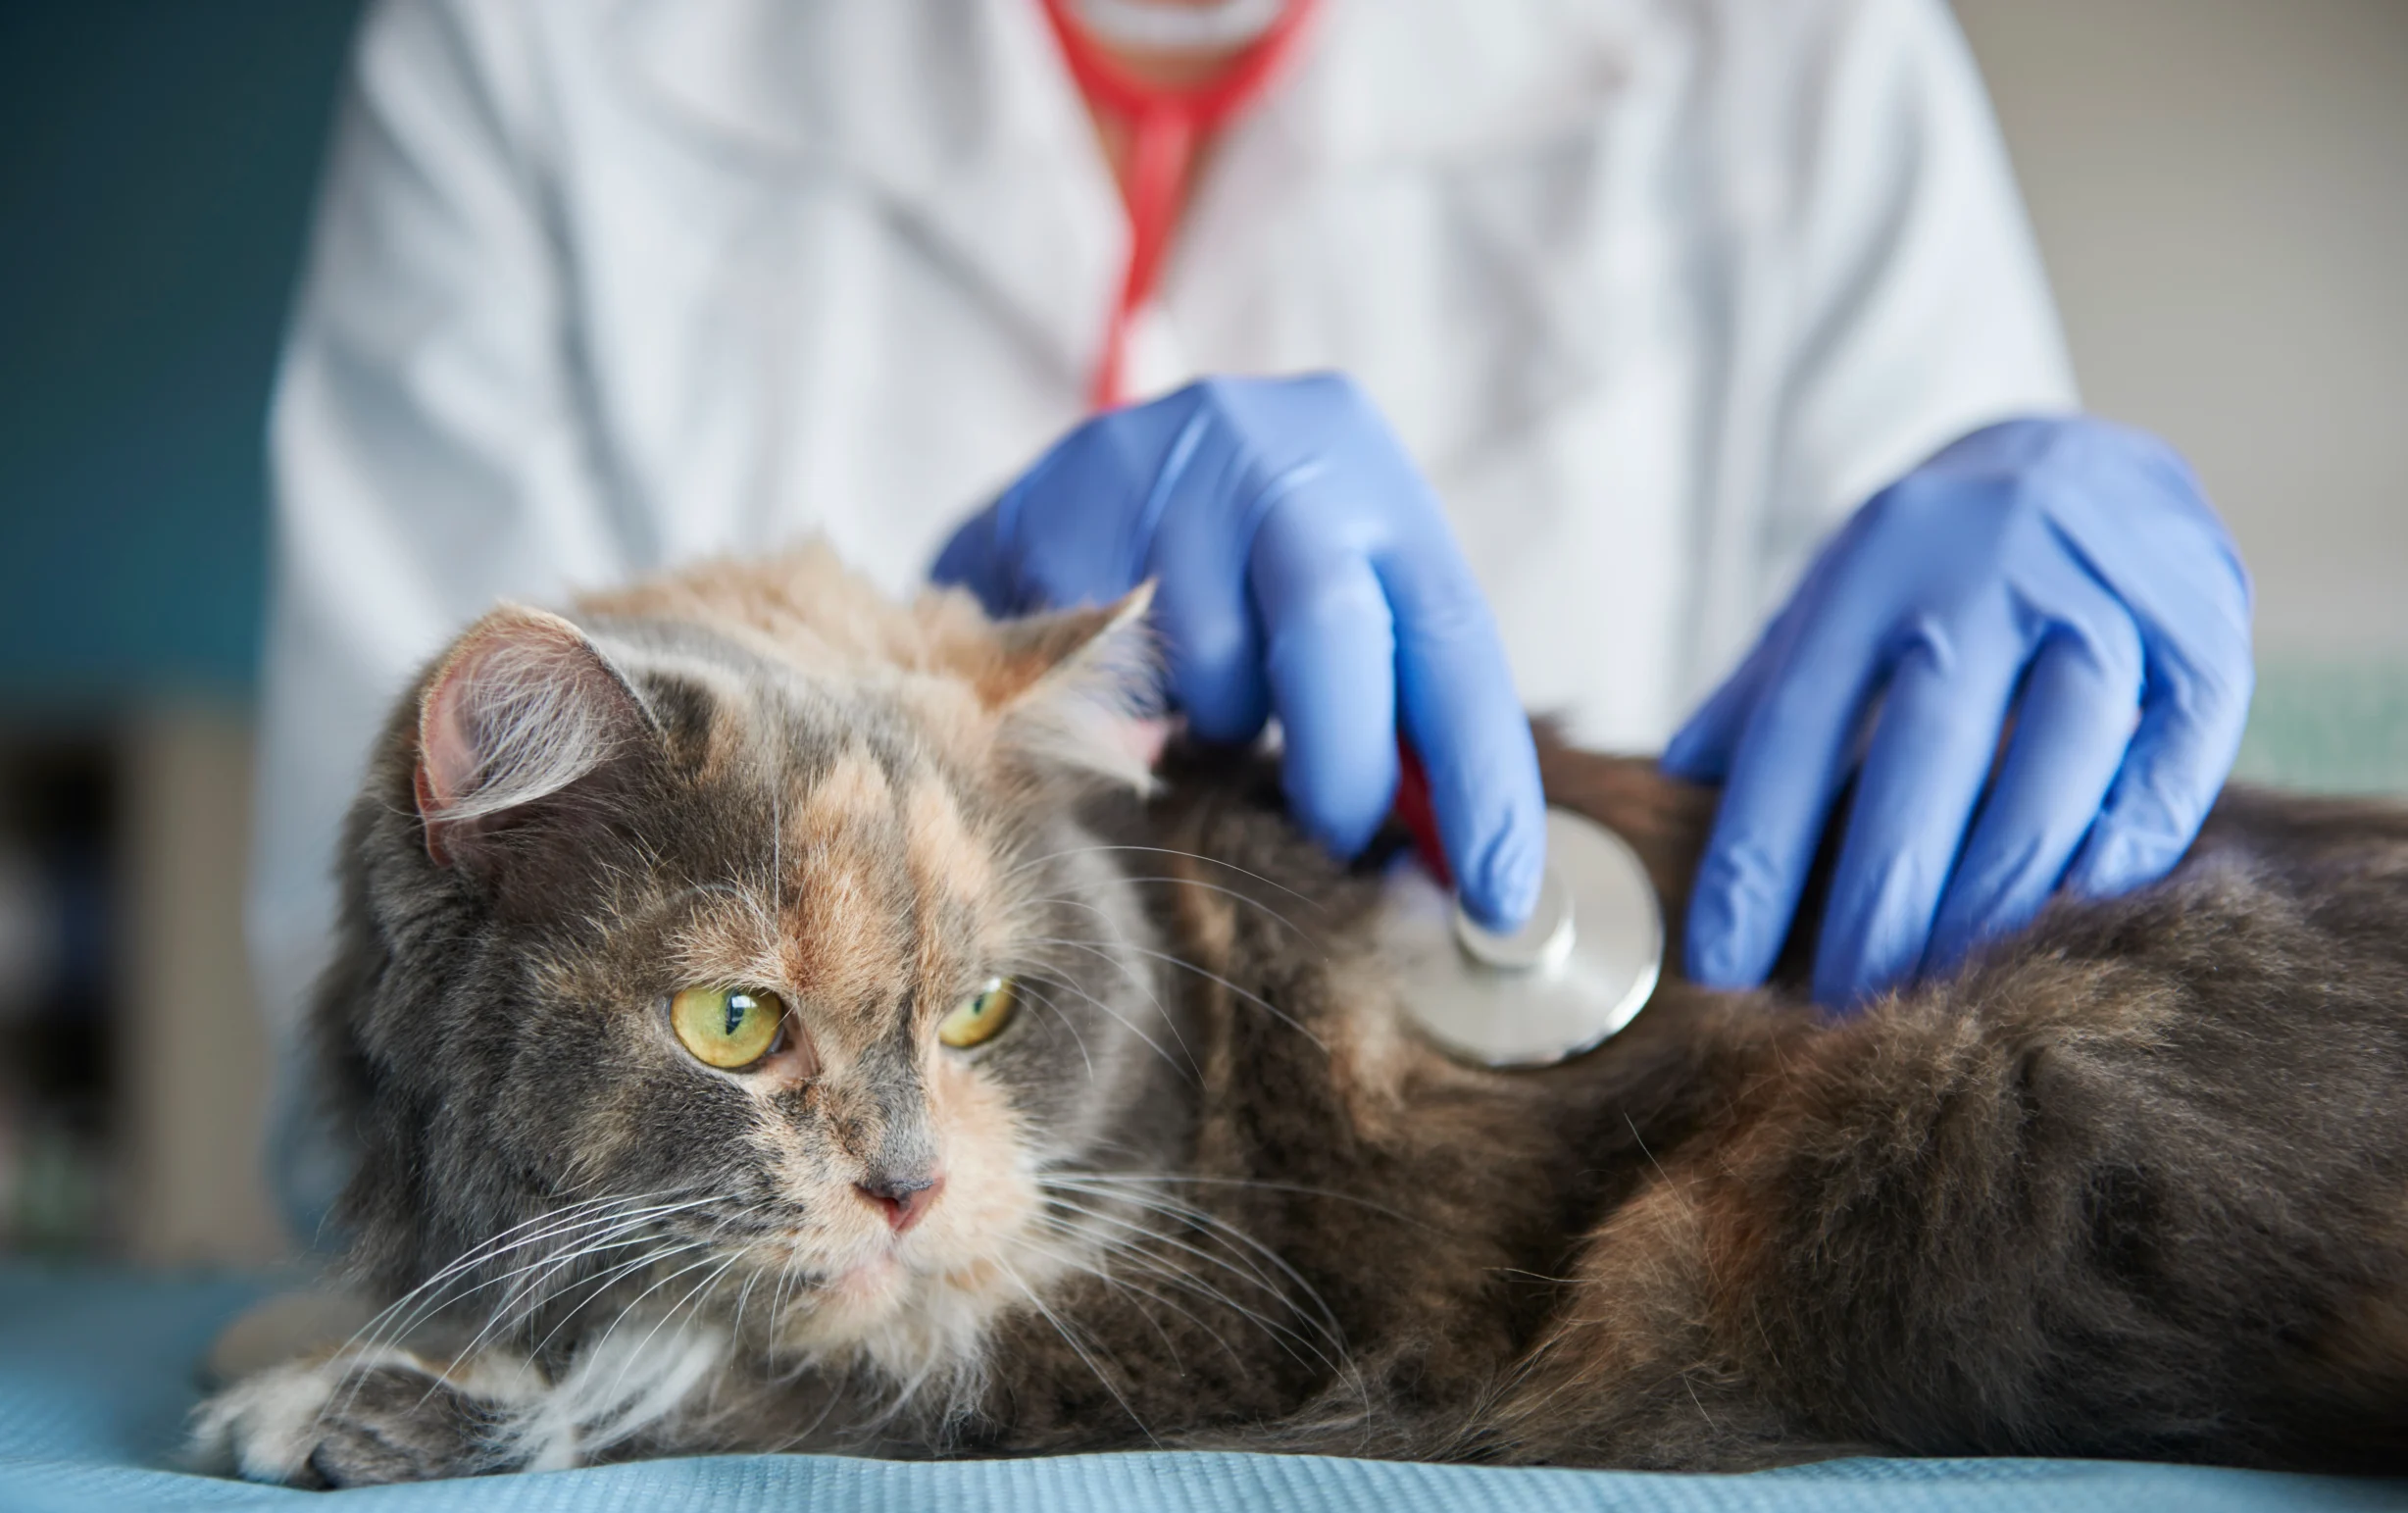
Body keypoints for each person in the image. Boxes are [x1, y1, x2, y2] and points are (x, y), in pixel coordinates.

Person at [254, 0, 2251, 1232]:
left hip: (1603, 1139)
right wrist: (896, 663)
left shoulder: (1801, 56)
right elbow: (363, 1050)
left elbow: (2007, 800)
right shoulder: (528, 42)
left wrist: (2065, 490)